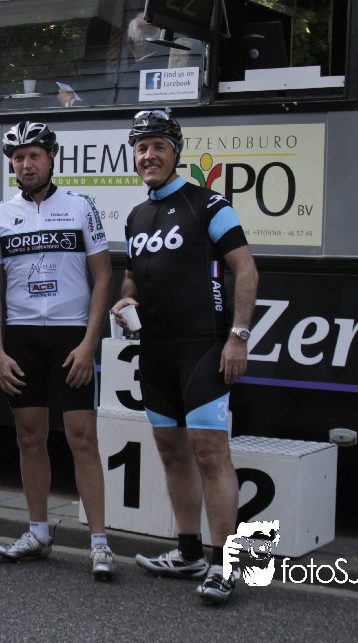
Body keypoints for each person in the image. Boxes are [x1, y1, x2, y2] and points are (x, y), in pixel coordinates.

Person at [111, 109, 259, 605]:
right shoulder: (136, 216)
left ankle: (225, 564)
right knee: (171, 451)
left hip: (203, 347)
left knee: (211, 453)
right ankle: (189, 551)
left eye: (159, 146)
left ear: (176, 153)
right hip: (154, 351)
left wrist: (238, 336)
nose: (149, 155)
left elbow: (246, 269)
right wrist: (125, 300)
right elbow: (131, 276)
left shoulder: (209, 203)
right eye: (141, 148)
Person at [0, 121, 117, 581]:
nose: (26, 164)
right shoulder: (1, 214)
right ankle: (38, 532)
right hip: (21, 337)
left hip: (70, 336)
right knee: (28, 436)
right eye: (18, 158)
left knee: (82, 437)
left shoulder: (80, 207)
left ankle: (99, 542)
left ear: (51, 158)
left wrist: (89, 342)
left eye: (34, 155)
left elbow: (104, 276)